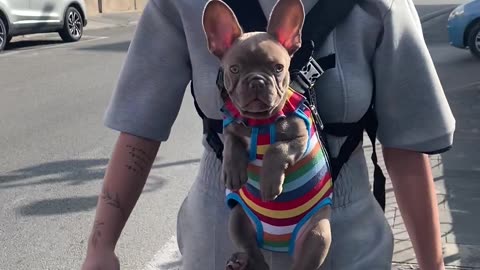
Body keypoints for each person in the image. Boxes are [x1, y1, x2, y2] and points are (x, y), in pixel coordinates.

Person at [81, 0, 456, 269]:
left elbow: (407, 145)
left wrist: (431, 265)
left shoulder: (376, 7)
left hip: (344, 240)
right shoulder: (182, 6)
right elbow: (139, 131)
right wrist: (100, 248)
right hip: (220, 239)